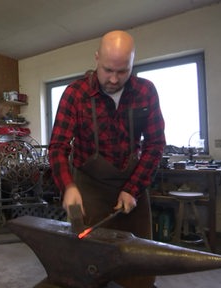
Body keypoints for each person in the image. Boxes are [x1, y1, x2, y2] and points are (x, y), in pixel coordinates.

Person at [48, 30, 165, 288]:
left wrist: (133, 189)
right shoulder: (75, 94)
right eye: (108, 70)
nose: (113, 79)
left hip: (132, 184)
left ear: (133, 65)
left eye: (122, 72)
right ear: (97, 58)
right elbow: (57, 147)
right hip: (89, 187)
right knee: (89, 265)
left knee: (140, 264)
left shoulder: (145, 91)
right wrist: (68, 187)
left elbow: (155, 145)